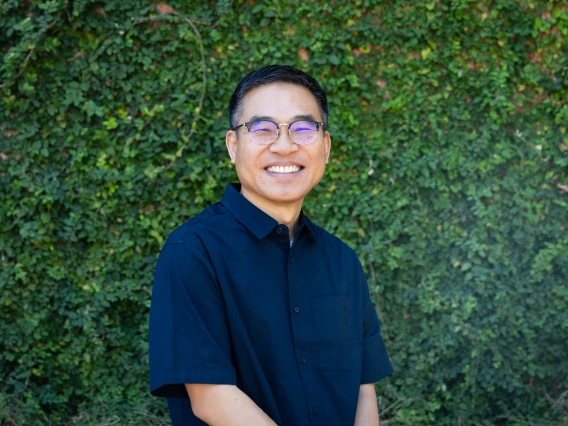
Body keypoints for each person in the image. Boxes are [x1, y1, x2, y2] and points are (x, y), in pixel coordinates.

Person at [149, 65, 393, 426]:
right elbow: (210, 397)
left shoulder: (342, 261)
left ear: (325, 147)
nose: (284, 145)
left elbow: (362, 388)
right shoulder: (193, 251)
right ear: (234, 146)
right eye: (262, 129)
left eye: (303, 128)